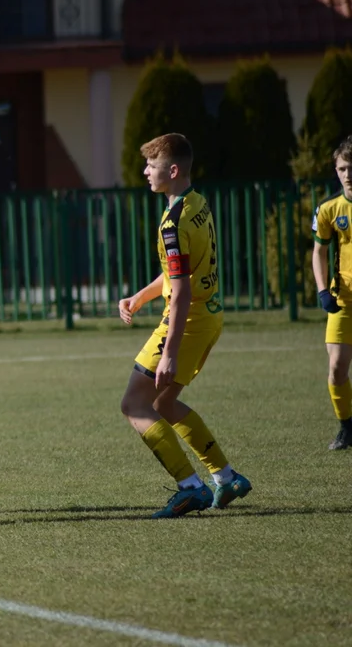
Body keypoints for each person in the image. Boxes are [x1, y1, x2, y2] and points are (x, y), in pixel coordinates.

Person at [118, 133, 252, 518]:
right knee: (164, 402)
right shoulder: (196, 204)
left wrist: (170, 353)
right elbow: (179, 277)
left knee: (135, 404)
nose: (145, 171)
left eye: (152, 165)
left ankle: (189, 488)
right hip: (209, 316)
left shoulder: (172, 223)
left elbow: (180, 293)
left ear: (172, 170)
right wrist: (140, 298)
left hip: (187, 321)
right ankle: (225, 478)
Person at [311, 134, 352, 451]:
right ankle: (346, 427)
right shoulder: (328, 209)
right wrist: (323, 290)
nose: (347, 174)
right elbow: (319, 253)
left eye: (351, 167)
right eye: (342, 168)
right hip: (344, 302)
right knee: (336, 368)